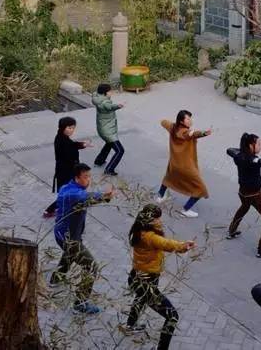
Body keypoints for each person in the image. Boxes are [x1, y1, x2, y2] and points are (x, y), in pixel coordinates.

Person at [125, 204, 195, 349]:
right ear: (149, 220)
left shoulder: (138, 229)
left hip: (137, 276)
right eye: (157, 219)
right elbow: (166, 243)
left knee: (140, 298)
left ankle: (130, 325)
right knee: (172, 316)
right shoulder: (150, 237)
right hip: (146, 281)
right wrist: (184, 246)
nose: (160, 221)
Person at [51, 163, 114, 315]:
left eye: (89, 176)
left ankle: (56, 278)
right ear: (76, 178)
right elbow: (84, 197)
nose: (89, 180)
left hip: (68, 236)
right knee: (91, 267)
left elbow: (86, 200)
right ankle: (80, 303)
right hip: (68, 238)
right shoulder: (72, 193)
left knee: (70, 254)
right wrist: (104, 195)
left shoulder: (68, 187)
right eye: (86, 177)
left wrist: (105, 199)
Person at [156, 110, 211, 218]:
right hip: (186, 166)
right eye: (188, 119)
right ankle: (186, 209)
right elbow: (192, 134)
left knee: (168, 177)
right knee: (201, 189)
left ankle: (160, 196)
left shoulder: (172, 127)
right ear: (181, 121)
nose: (190, 120)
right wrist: (204, 133)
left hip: (174, 163)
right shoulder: (186, 133)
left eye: (190, 118)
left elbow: (164, 122)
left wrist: (166, 122)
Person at [43, 116, 93, 218]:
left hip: (67, 171)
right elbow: (69, 152)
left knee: (68, 192)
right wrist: (79, 168)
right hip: (65, 172)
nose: (72, 130)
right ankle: (49, 211)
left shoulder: (62, 137)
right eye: (69, 128)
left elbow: (71, 145)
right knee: (67, 193)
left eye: (73, 128)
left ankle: (53, 210)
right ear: (63, 128)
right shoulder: (61, 140)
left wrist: (82, 144)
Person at [92, 83, 125, 176]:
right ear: (105, 93)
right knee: (120, 150)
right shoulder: (105, 103)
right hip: (108, 130)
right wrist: (119, 106)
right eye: (110, 91)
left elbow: (95, 94)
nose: (111, 92)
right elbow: (110, 107)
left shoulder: (97, 97)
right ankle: (109, 169)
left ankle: (99, 161)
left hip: (102, 128)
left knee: (109, 144)